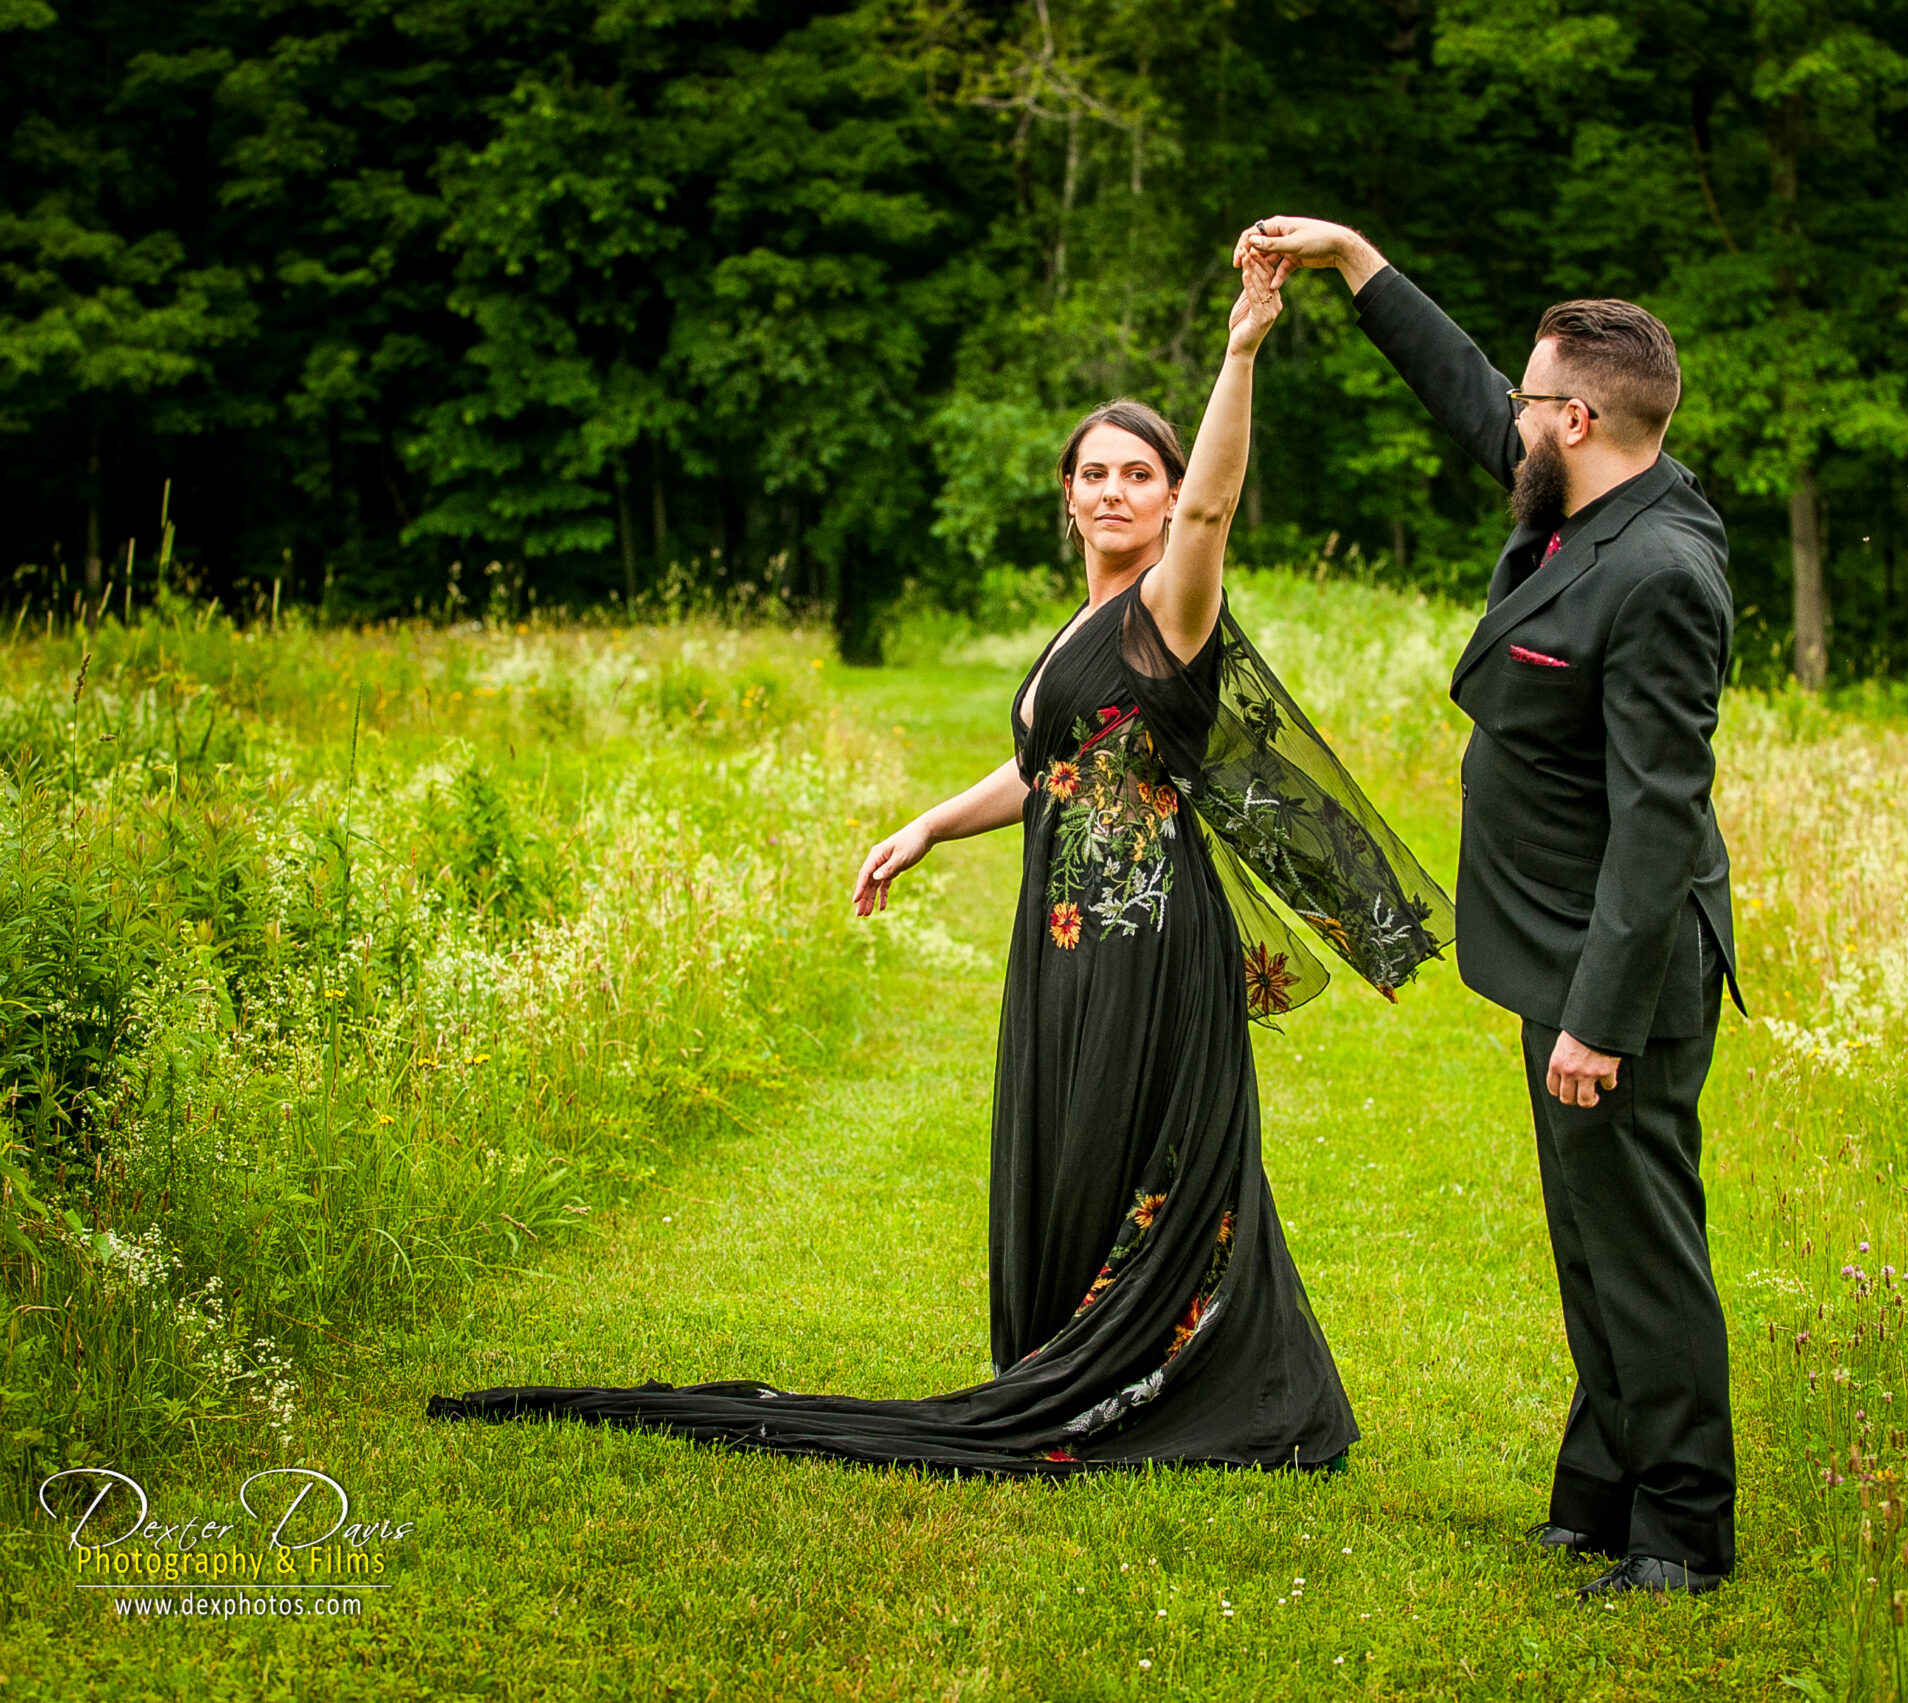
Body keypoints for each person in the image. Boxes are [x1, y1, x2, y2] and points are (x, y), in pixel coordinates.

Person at [429, 251, 1451, 1475]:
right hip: (1064, 931)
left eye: (1140, 474)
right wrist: (925, 826)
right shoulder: (1083, 628)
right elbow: (1052, 771)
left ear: (1173, 494)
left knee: (1143, 1146)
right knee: (1076, 1138)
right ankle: (1084, 1352)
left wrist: (1240, 350)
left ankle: (1173, 1383)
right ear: (1066, 496)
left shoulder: (1170, 606)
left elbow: (1214, 515)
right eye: (1094, 473)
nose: (1115, 491)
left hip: (1146, 934)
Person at [1236, 217, 1745, 1597]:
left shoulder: (1660, 570)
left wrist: (1601, 1017)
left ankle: (1682, 1528)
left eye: (1530, 398)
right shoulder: (1582, 502)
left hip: (1618, 970)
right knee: (1590, 1235)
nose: (1507, 413)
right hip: (1558, 954)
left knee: (1641, 1246)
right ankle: (1600, 1493)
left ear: (1577, 419)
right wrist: (1356, 264)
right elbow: (1470, 393)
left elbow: (1658, 817)